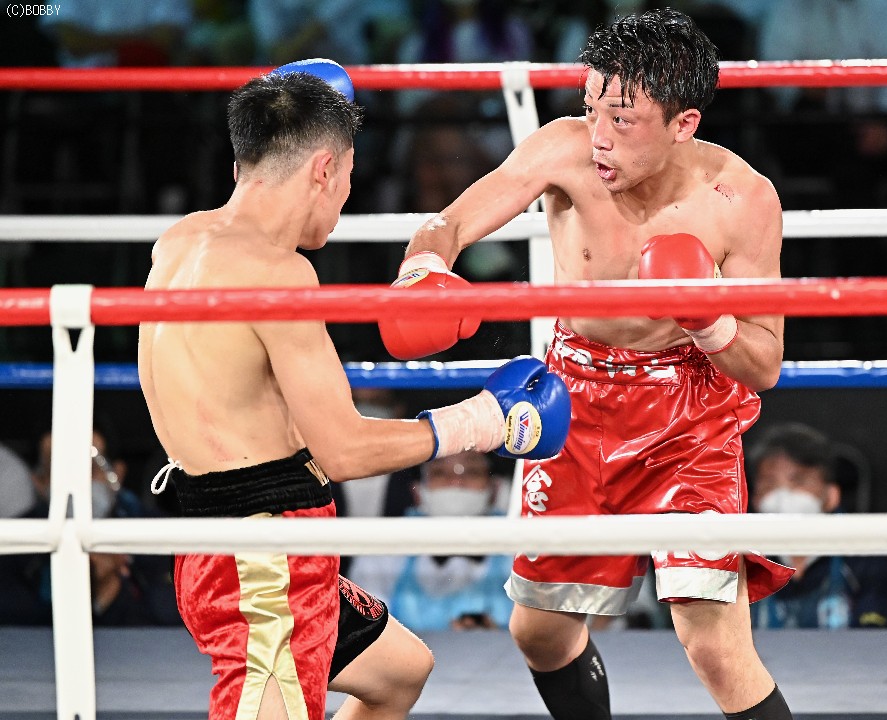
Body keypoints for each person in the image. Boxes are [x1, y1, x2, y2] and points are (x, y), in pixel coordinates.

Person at [378, 9, 795, 720]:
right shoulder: (564, 152)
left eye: (623, 120)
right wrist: (422, 271)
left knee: (715, 647)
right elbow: (449, 223)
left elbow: (764, 363)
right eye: (591, 107)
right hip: (575, 402)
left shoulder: (743, 200)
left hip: (688, 416)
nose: (599, 134)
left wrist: (707, 319)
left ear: (684, 123)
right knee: (539, 632)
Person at [137, 60, 571, 720]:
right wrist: (482, 421)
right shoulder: (278, 274)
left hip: (235, 534)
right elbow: (342, 450)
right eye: (347, 177)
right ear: (324, 169)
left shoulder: (181, 240)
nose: (344, 201)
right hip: (264, 559)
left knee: (399, 673)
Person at [0, 428, 180, 626]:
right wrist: (62, 583)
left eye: (91, 468)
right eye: (59, 470)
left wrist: (111, 592)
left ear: (117, 473)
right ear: (40, 482)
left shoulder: (165, 536)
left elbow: (176, 621)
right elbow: (13, 627)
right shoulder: (15, 542)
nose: (76, 483)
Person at [748, 423, 887, 630]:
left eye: (798, 482)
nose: (782, 497)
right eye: (769, 485)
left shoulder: (869, 558)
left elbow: (876, 638)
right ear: (755, 499)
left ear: (831, 496)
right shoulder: (736, 560)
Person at [349, 450, 514, 632]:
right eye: (440, 473)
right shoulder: (383, 548)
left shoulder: (521, 542)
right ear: (418, 491)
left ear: (494, 489)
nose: (456, 482)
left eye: (472, 472)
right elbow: (367, 632)